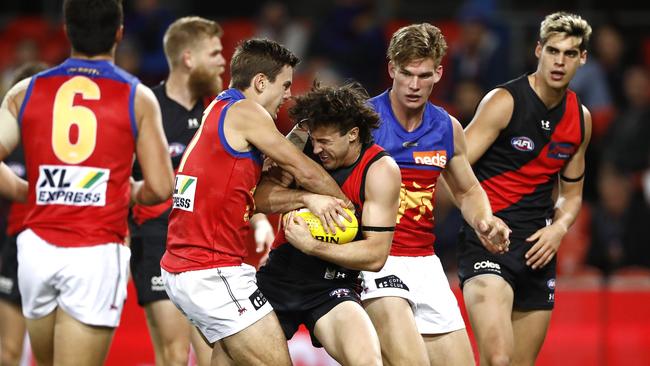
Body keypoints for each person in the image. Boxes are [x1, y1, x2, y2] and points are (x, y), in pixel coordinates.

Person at [0, 1, 174, 365]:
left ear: (66, 31)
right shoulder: (137, 96)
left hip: (34, 250)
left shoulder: (24, 90)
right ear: (119, 33)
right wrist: (126, 191)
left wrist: (24, 191)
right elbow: (160, 187)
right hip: (94, 251)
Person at [160, 38, 352, 365]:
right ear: (261, 82)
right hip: (211, 268)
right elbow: (302, 168)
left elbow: (259, 194)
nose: (289, 94)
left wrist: (304, 191)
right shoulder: (246, 111)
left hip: (188, 266)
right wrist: (349, 210)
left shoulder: (221, 108)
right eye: (286, 85)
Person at [360, 22, 510, 366]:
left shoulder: (446, 127)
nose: (415, 85)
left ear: (439, 72)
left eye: (424, 75)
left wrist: (485, 221)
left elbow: (468, 188)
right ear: (391, 69)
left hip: (425, 263)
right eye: (407, 74)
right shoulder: (363, 121)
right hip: (374, 260)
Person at [459, 11, 593, 366]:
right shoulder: (503, 102)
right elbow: (456, 166)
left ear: (583, 58)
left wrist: (559, 230)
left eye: (569, 53)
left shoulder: (580, 119)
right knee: (498, 360)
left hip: (537, 252)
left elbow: (572, 194)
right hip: (489, 243)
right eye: (552, 51)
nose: (559, 61)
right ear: (538, 50)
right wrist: (482, 219)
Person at [253, 82, 401, 365]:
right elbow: (257, 199)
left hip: (332, 286)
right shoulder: (302, 142)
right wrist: (307, 199)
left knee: (368, 361)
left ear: (353, 134)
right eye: (315, 140)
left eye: (326, 142)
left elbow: (375, 256)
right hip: (280, 277)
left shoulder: (380, 170)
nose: (317, 148)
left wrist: (312, 246)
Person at [128, 16, 229, 366]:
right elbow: (121, 179)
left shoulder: (219, 113)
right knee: (173, 354)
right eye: (214, 53)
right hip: (155, 239)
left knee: (214, 356)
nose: (222, 61)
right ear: (189, 58)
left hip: (207, 247)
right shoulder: (144, 107)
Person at [0, 61, 48, 366]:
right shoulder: (6, 144)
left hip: (53, 247)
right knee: (8, 351)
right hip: (13, 248)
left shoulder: (64, 143)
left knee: (49, 354)